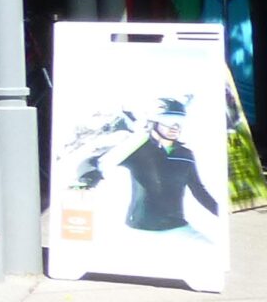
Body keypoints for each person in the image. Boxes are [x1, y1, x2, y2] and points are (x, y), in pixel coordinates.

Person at [75, 96, 221, 234]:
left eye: (179, 121)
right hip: (140, 231)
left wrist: (221, 212)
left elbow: (199, 190)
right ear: (153, 122)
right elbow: (94, 161)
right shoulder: (136, 149)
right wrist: (88, 177)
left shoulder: (185, 155)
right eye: (169, 120)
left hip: (176, 228)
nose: (175, 126)